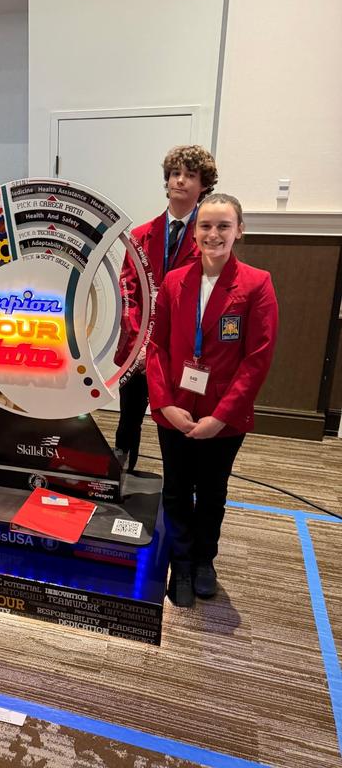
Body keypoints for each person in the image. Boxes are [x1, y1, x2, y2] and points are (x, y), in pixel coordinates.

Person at [146, 193, 278, 607]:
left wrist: (221, 417)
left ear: (239, 230)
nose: (213, 234)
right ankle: (181, 563)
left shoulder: (257, 284)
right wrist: (165, 404)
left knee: (213, 489)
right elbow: (157, 348)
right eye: (205, 226)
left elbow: (257, 360)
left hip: (225, 418)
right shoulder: (173, 281)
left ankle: (205, 560)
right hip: (176, 411)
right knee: (176, 489)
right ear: (195, 231)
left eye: (223, 226)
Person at [114, 145, 218, 472]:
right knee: (129, 415)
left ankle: (180, 484)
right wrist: (141, 346)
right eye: (175, 174)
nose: (181, 181)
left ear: (204, 185)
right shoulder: (142, 235)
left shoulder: (210, 237)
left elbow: (206, 298)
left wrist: (161, 346)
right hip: (137, 348)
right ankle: (121, 473)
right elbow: (128, 290)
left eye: (190, 176)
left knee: (180, 419)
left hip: (182, 350)